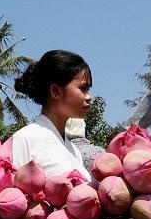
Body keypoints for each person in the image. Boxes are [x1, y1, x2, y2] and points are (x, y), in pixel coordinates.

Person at [12, 50, 93, 179]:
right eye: (83, 88)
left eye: (88, 90)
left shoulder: (74, 151)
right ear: (55, 91)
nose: (89, 97)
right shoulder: (25, 139)